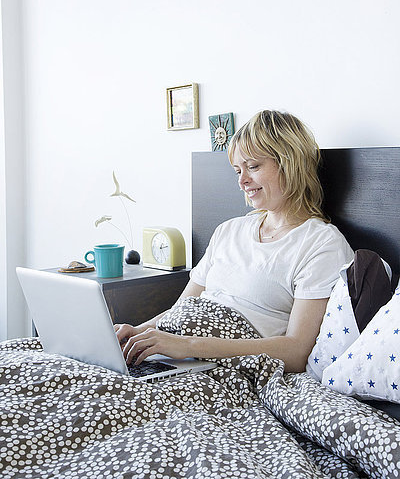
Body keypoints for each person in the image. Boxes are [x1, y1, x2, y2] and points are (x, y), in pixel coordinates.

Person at [115, 110, 353, 373]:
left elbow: (296, 352)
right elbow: (179, 311)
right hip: (176, 359)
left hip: (221, 370)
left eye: (252, 167)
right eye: (237, 171)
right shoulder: (229, 230)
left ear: (290, 163)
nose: (242, 181)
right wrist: (137, 333)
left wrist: (188, 345)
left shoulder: (320, 243)